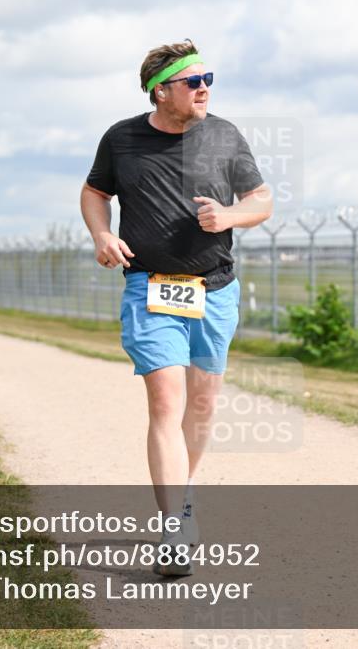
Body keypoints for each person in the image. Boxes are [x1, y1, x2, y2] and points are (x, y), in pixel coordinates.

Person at [81, 40, 272, 576]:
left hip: (216, 288)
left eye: (208, 76)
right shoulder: (122, 139)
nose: (205, 86)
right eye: (193, 81)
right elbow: (94, 192)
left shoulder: (225, 135)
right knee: (166, 404)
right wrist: (101, 235)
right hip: (151, 287)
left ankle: (181, 498)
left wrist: (230, 217)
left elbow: (262, 200)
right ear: (160, 91)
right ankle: (174, 527)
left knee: (201, 408)